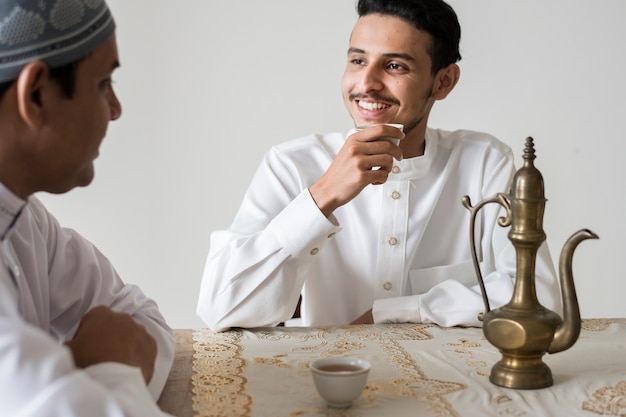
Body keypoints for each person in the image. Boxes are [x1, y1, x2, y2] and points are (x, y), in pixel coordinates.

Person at [197, 0, 561, 331]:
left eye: (394, 65)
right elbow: (220, 309)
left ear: (443, 81)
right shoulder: (291, 164)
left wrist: (390, 313)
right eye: (357, 61)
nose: (367, 84)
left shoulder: (483, 162)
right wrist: (322, 195)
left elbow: (537, 299)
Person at [0, 1, 175, 416]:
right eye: (103, 83)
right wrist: (107, 370)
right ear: (37, 94)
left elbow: (141, 319)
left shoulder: (27, 223)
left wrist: (82, 381)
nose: (115, 109)